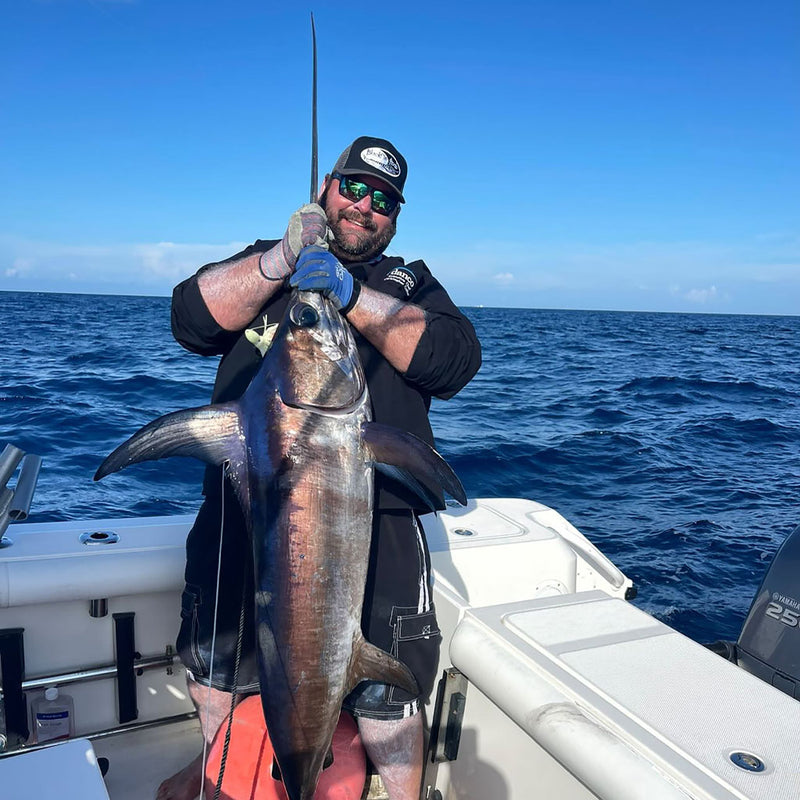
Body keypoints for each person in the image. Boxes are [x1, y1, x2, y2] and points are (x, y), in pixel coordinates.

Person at [159, 136, 481, 800]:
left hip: (378, 523)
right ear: (326, 189)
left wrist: (349, 293)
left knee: (389, 704)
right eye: (353, 188)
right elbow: (190, 319)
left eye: (383, 200)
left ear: (395, 217)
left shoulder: (410, 284)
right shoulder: (266, 261)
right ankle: (216, 777)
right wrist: (281, 260)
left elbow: (453, 362)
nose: (365, 206)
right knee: (217, 673)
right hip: (241, 514)